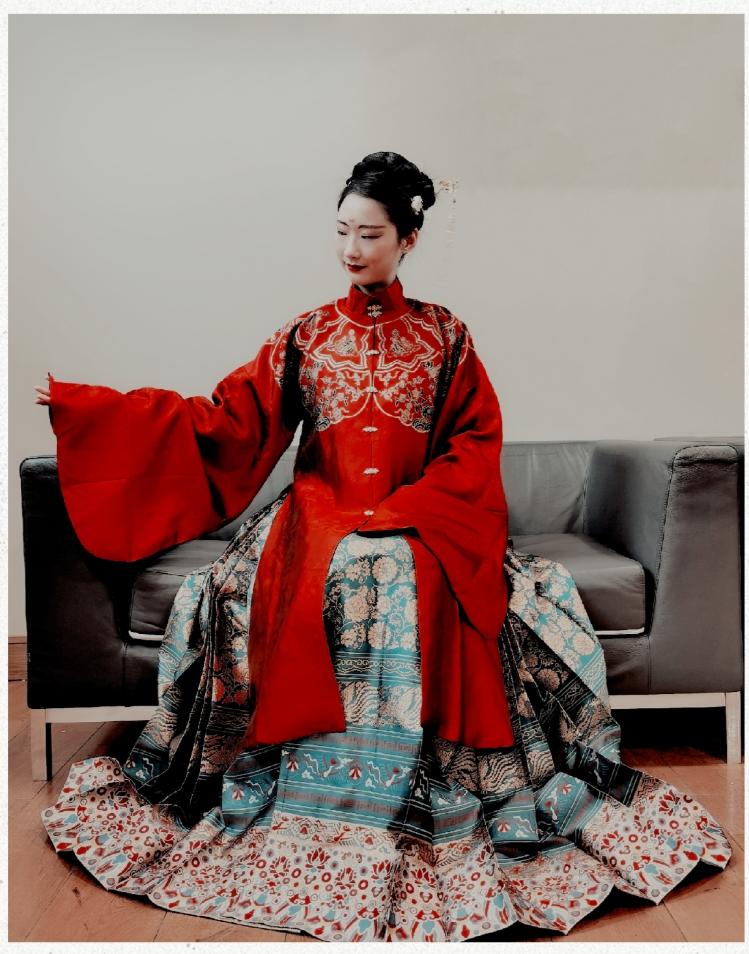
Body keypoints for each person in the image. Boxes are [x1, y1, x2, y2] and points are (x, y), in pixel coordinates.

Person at [35, 152, 731, 942]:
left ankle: (415, 792)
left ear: (408, 240)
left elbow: (472, 444)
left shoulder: (445, 336)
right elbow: (224, 422)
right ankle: (304, 790)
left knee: (402, 571)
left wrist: (409, 509)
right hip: (315, 513)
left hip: (419, 512)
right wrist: (91, 409)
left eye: (368, 235)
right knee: (321, 575)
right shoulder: (305, 334)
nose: (350, 250)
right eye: (341, 232)